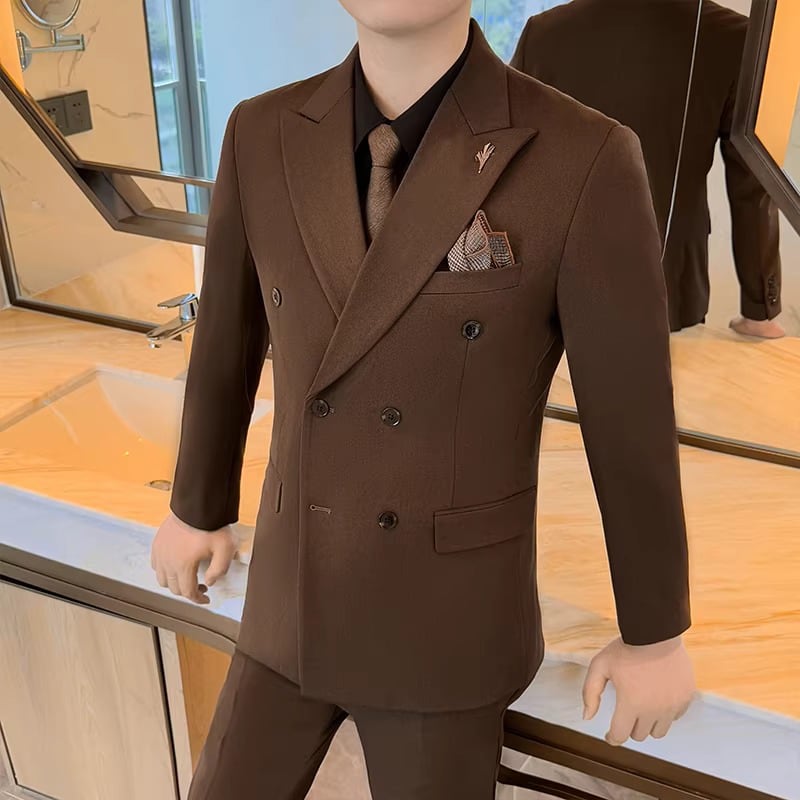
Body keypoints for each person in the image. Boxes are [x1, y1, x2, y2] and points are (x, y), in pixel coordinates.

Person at [150, 3, 696, 797]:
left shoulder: (584, 154)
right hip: (290, 593)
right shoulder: (259, 133)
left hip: (446, 622)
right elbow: (225, 340)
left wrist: (653, 632)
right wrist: (197, 505)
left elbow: (630, 416)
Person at [510, 0, 784, 337]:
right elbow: (752, 185)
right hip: (673, 289)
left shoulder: (544, 33)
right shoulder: (732, 36)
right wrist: (760, 310)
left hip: (553, 293)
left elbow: (509, 168)